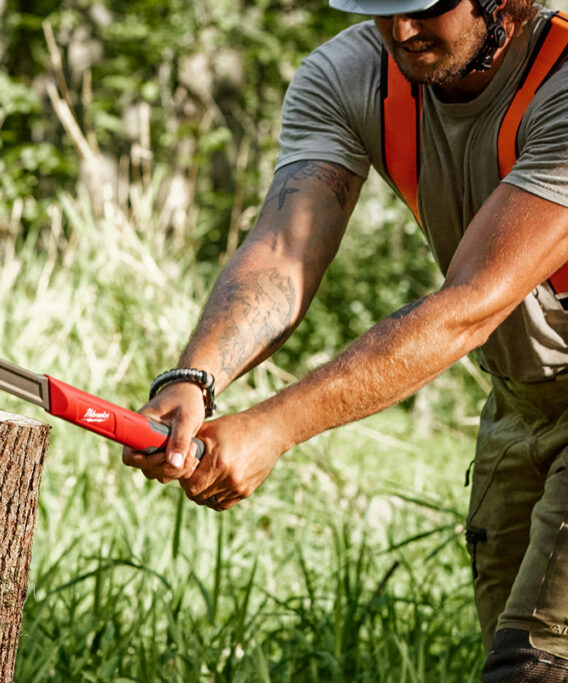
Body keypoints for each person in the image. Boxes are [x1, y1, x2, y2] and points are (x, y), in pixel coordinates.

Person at [122, 0, 568, 678]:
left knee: (531, 667)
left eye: (424, 7)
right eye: (381, 9)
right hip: (518, 403)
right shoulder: (351, 74)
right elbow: (284, 249)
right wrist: (195, 378)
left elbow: (471, 303)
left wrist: (273, 427)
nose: (401, 31)